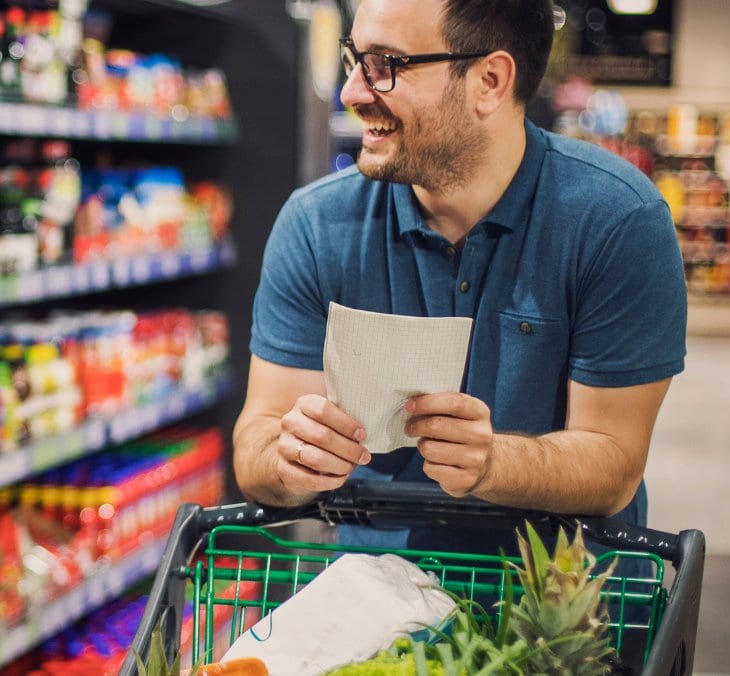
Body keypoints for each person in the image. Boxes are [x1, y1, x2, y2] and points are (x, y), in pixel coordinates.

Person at [233, 0, 687, 557]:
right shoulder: (316, 225)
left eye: (387, 64)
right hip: (373, 613)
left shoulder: (615, 221)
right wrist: (289, 455)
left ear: (489, 81)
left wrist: (493, 461)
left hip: (568, 619)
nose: (351, 92)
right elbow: (256, 443)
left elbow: (614, 460)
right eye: (355, 58)